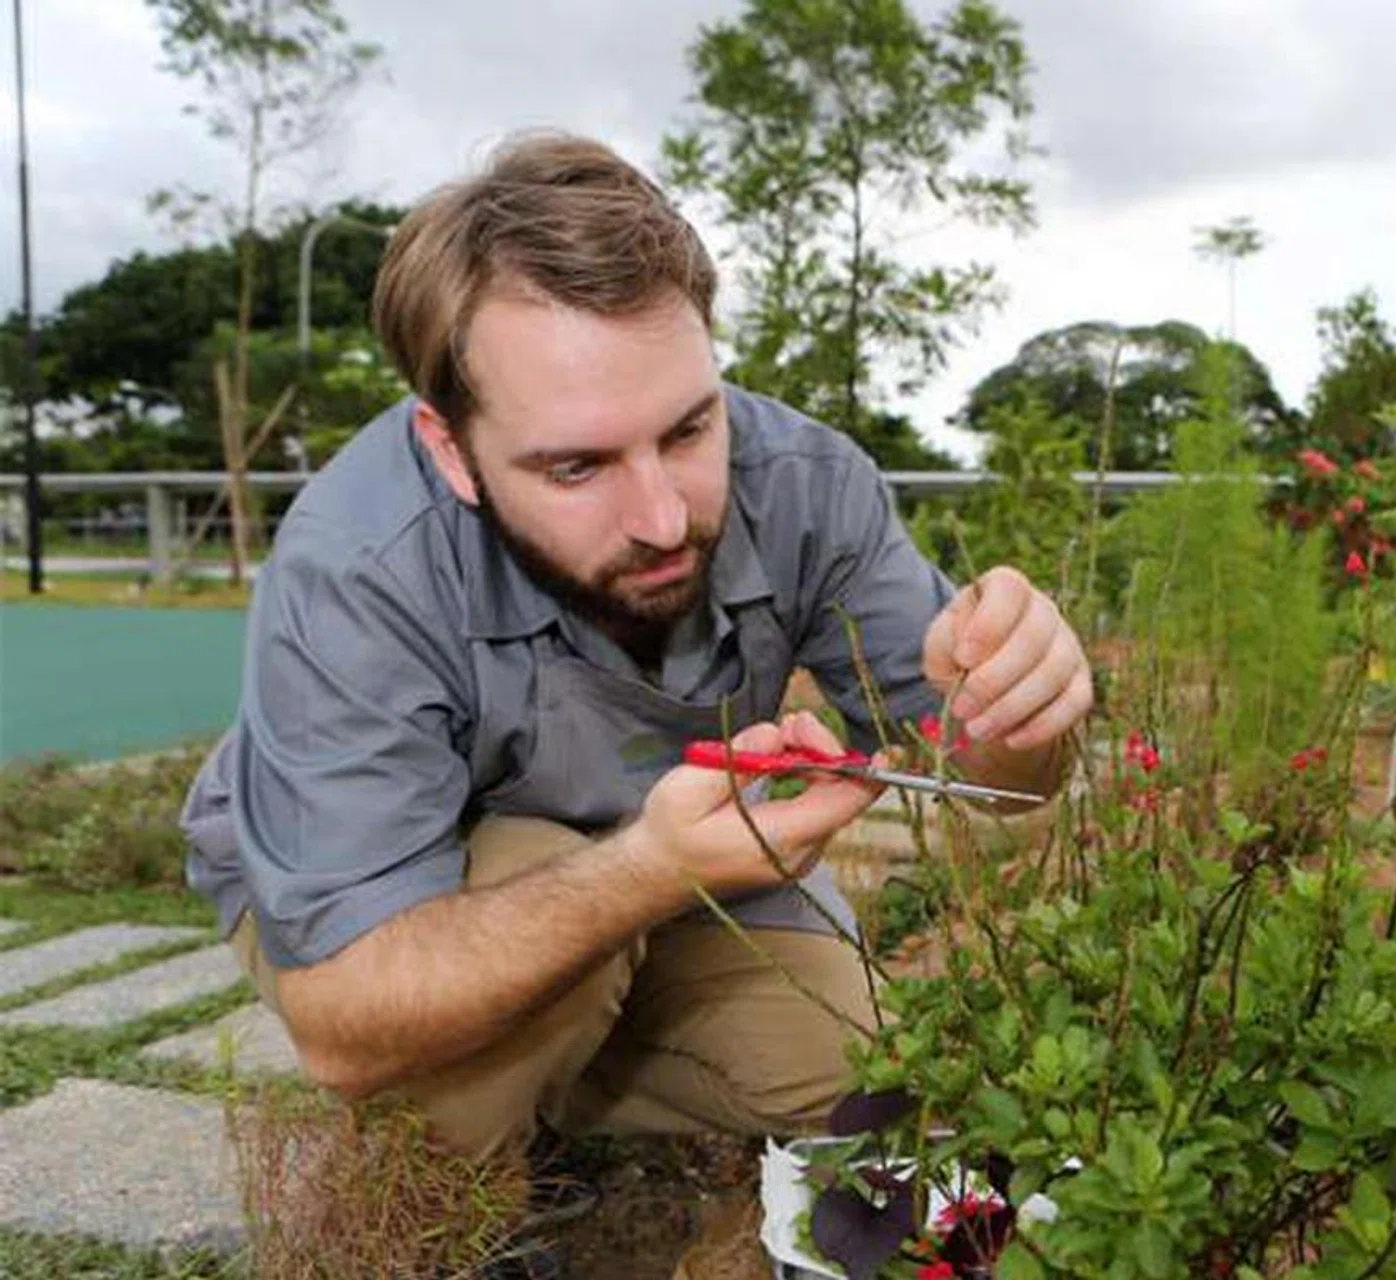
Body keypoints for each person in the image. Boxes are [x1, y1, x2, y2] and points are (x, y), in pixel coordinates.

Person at [178, 131, 1093, 1278]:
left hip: (664, 855)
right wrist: (653, 870)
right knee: (522, 893)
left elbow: (989, 776)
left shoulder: (811, 481)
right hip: (404, 896)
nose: (663, 516)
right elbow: (347, 1016)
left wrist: (1027, 711)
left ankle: (577, 1105)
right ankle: (452, 1216)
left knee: (870, 1068)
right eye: (577, 467)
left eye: (689, 428)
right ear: (451, 448)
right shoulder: (353, 559)